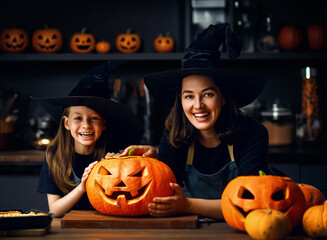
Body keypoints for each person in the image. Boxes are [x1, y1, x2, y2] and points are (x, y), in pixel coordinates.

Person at [116, 24, 275, 220]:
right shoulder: (174, 134)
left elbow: (252, 201)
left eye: (207, 94)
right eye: (189, 96)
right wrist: (152, 162)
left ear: (223, 97)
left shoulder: (253, 133)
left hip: (247, 226)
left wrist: (188, 205)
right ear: (181, 100)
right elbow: (164, 193)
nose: (198, 105)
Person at [33, 61, 143, 217]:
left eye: (94, 119)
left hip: (105, 226)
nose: (86, 125)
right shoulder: (54, 157)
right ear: (67, 123)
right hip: (69, 229)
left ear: (103, 124)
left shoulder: (112, 154)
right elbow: (54, 210)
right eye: (78, 118)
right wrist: (81, 188)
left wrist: (116, 166)